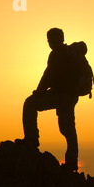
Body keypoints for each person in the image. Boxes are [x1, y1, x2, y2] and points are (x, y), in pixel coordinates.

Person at [16, 28, 79, 171]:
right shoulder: (70, 53)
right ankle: (71, 162)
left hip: (60, 95)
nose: (48, 42)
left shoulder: (56, 54)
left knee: (30, 104)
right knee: (68, 129)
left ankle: (31, 138)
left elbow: (48, 76)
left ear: (53, 39)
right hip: (71, 96)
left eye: (49, 39)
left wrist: (39, 92)